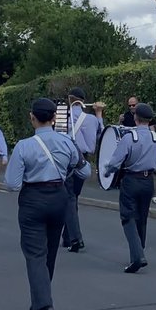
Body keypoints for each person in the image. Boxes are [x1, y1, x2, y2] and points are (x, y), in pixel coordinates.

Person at [5, 97, 90, 310]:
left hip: (33, 198)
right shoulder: (67, 142)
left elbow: (12, 184)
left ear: (32, 118)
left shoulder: (23, 146)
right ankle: (40, 300)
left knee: (35, 254)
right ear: (54, 118)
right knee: (50, 251)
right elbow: (85, 171)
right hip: (59, 197)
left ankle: (45, 305)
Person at [103, 103, 156, 273]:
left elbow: (115, 162)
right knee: (142, 218)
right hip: (148, 182)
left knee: (128, 218)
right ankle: (139, 251)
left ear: (135, 118)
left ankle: (137, 256)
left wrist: (106, 173)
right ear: (149, 120)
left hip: (131, 180)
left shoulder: (128, 138)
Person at [61, 87, 103, 253]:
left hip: (66, 159)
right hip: (83, 159)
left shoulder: (63, 116)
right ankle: (67, 236)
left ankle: (75, 238)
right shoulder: (91, 119)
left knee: (69, 198)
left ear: (69, 99)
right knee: (73, 196)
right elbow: (101, 135)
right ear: (83, 101)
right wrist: (99, 114)